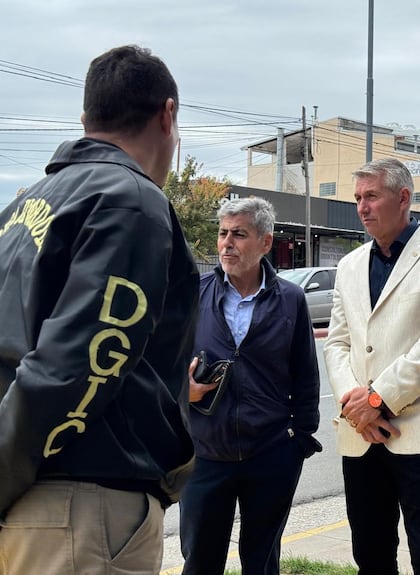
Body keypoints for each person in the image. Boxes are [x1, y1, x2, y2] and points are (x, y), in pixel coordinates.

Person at [0, 45, 198, 574]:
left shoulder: (23, 207)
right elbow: (72, 368)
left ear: (86, 119)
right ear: (168, 114)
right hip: (80, 508)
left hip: (29, 498)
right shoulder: (130, 201)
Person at [324, 157, 420, 575]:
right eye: (357, 198)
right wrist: (356, 404)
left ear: (404, 197)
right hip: (360, 434)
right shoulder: (349, 265)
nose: (362, 207)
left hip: (419, 433)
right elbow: (337, 342)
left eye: (371, 196)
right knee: (369, 554)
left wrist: (378, 399)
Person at [180, 197, 321, 575]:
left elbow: (306, 373)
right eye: (223, 233)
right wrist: (183, 389)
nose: (227, 243)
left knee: (261, 561)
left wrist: (300, 439)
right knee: (199, 560)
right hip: (205, 454)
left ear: (265, 242)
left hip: (272, 453)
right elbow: (162, 362)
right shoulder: (194, 293)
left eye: (239, 234)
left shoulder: (291, 299)